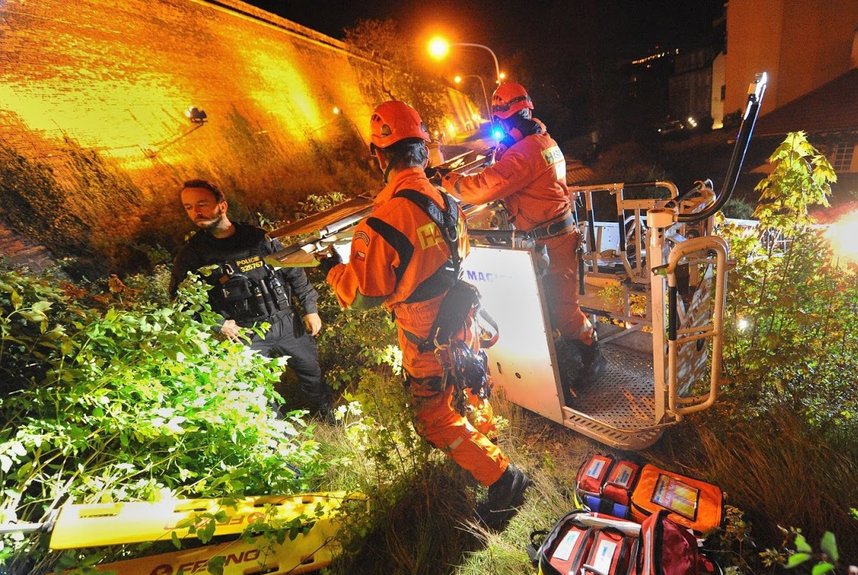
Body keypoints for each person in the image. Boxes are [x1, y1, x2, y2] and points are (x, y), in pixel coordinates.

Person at [317, 100, 529, 528]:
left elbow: (362, 295)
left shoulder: (384, 219)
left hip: (423, 329)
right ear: (424, 150)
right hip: (460, 313)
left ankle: (503, 478)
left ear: (379, 155)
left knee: (432, 416)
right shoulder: (447, 201)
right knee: (470, 381)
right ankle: (484, 440)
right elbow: (459, 250)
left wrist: (332, 270)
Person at [441, 82, 606, 392]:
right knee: (546, 303)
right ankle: (566, 354)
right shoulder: (540, 140)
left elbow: (485, 186)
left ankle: (591, 352)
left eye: (502, 122)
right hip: (550, 236)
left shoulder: (526, 152)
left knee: (563, 310)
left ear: (508, 119)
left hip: (552, 240)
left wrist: (450, 181)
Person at [170, 179, 328, 413]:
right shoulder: (193, 255)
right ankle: (280, 441)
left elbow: (293, 271)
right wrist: (218, 324)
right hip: (245, 334)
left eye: (202, 204)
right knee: (261, 393)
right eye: (189, 207)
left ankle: (328, 419)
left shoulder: (259, 238)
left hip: (287, 323)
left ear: (222, 206)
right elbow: (179, 299)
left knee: (312, 376)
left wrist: (310, 308)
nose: (196, 212)